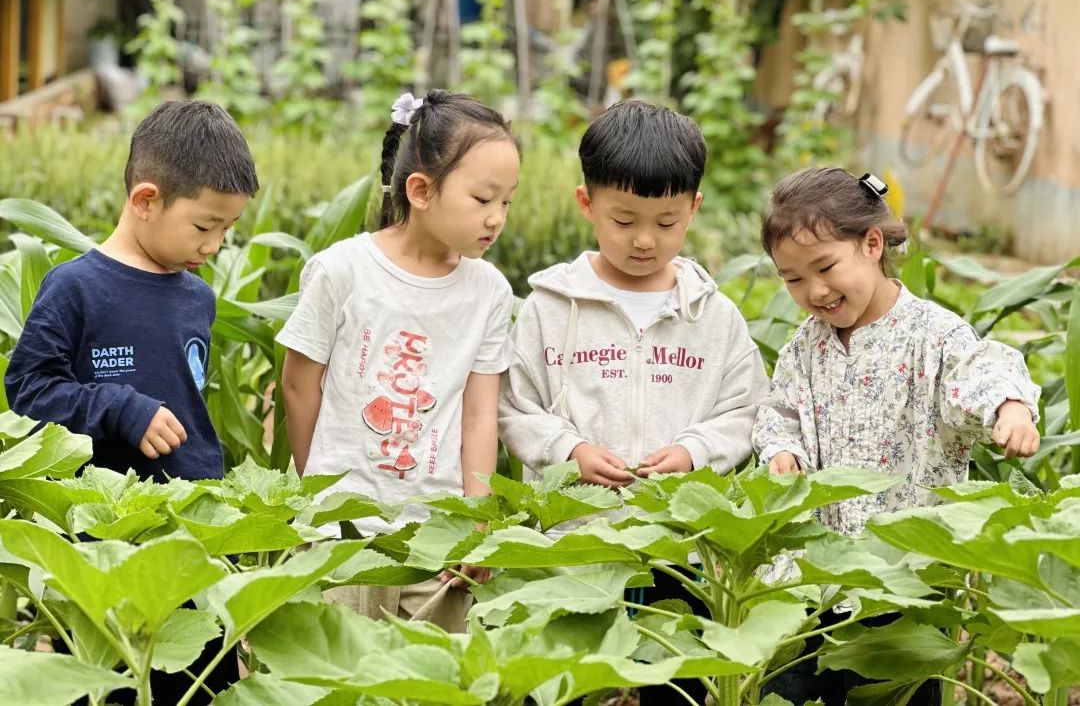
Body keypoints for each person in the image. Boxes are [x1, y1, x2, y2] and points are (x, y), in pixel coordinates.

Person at [499, 99, 768, 704]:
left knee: (681, 683)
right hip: (574, 550)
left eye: (667, 222)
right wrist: (569, 449)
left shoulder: (714, 316)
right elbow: (513, 405)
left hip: (681, 554)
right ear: (586, 203)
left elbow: (747, 409)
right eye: (624, 220)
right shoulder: (548, 308)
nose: (645, 240)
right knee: (566, 684)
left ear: (694, 209)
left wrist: (693, 452)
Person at [752, 167, 1041, 705]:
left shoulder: (931, 336)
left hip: (900, 585)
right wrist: (782, 449)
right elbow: (779, 412)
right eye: (792, 279)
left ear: (872, 244)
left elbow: (979, 372)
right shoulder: (803, 347)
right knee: (787, 692)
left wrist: (1009, 408)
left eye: (824, 267)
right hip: (810, 582)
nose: (813, 290)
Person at [5, 99, 260, 704]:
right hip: (108, 539)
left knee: (204, 680)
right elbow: (29, 390)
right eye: (205, 226)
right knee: (112, 685)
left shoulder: (197, 297)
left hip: (194, 528)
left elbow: (190, 402)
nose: (217, 245)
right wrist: (120, 407)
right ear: (146, 200)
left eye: (228, 230)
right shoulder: (76, 288)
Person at [278, 89, 519, 632]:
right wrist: (319, 489)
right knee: (333, 676)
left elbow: (481, 414)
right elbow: (299, 384)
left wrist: (477, 524)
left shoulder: (489, 292)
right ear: (420, 190)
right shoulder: (342, 271)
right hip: (341, 533)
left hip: (436, 540)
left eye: (507, 201)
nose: (496, 218)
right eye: (483, 199)